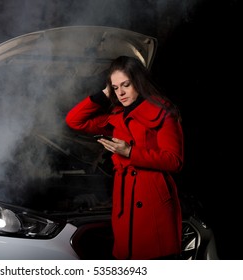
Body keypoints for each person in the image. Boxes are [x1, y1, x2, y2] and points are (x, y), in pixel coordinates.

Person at [65, 56, 184, 260]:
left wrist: (130, 152)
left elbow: (174, 161)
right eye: (115, 87)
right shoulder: (116, 118)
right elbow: (74, 120)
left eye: (126, 85)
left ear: (138, 82)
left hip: (154, 201)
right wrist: (104, 94)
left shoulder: (163, 112)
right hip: (124, 200)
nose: (120, 93)